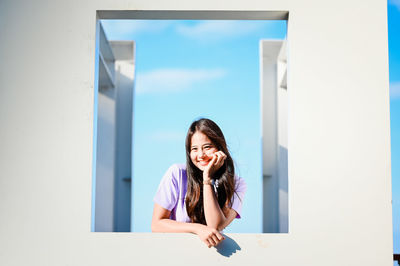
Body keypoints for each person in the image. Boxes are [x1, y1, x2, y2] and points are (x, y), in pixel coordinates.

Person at [151, 118, 246, 248]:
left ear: (220, 147)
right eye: (194, 149)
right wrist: (197, 229)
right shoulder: (177, 173)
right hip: (176, 253)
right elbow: (156, 224)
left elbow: (215, 226)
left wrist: (207, 178)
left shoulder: (237, 184)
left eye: (207, 147)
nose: (201, 155)